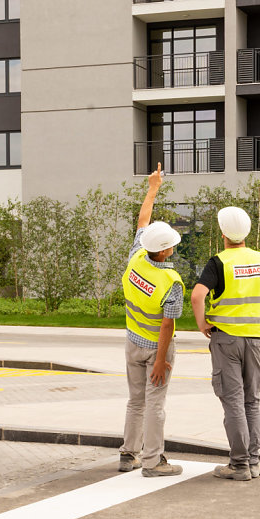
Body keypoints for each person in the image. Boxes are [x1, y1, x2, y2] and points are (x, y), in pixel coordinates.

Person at [191, 206, 260, 481]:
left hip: (226, 339)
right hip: (256, 339)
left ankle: (239, 465)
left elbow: (197, 296)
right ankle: (253, 462)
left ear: (223, 234)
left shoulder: (219, 262)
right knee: (251, 401)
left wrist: (202, 323)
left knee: (233, 401)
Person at [119, 163, 184, 477]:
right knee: (155, 404)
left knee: (136, 402)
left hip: (132, 342)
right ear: (166, 251)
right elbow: (167, 327)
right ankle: (153, 461)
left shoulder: (136, 257)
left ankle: (128, 455)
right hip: (156, 350)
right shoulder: (171, 282)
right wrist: (161, 360)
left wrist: (153, 188)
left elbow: (143, 220)